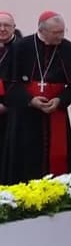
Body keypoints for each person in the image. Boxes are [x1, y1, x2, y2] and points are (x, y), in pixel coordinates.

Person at [1, 11, 71, 184]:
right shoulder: (21, 47)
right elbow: (10, 84)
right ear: (42, 30)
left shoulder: (68, 49)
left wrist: (60, 100)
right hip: (25, 116)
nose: (61, 36)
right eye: (56, 33)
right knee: (25, 162)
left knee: (57, 161)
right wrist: (31, 100)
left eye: (63, 31)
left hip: (56, 114)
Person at [0, 11, 21, 177]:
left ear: (14, 28)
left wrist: (6, 104)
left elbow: (22, 82)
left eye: (6, 25)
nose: (2, 29)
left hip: (11, 112)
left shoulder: (22, 48)